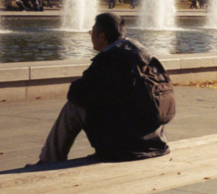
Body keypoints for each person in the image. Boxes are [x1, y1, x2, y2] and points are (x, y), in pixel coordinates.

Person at [31, 13, 172, 165]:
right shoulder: (142, 54)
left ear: (101, 36)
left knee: (73, 108)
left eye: (92, 32)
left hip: (126, 149)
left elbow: (75, 94)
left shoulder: (108, 60)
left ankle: (48, 159)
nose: (90, 36)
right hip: (157, 143)